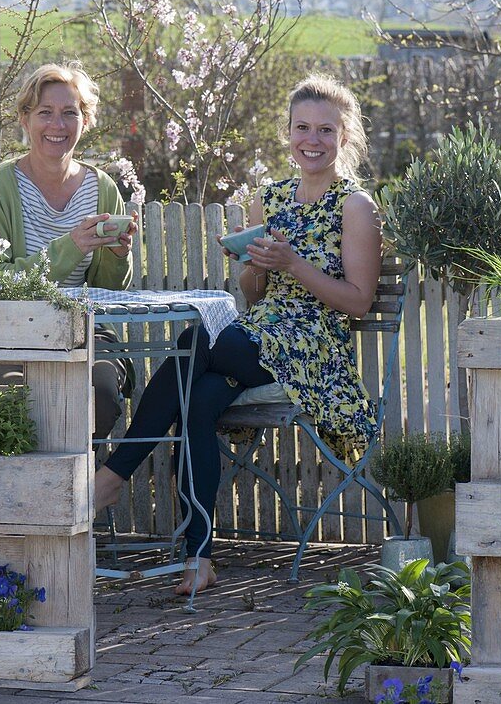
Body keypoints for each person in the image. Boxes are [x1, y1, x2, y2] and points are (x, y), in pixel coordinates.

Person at [95, 73, 382, 596]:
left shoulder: (354, 205)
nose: (311, 140)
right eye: (302, 128)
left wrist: (293, 263)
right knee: (198, 397)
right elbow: (253, 295)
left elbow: (358, 300)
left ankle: (112, 477)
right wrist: (254, 263)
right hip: (261, 334)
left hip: (314, 349)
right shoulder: (268, 200)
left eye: (325, 130)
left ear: (345, 136)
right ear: (288, 132)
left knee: (193, 343)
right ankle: (199, 560)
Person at [0, 61, 137, 440]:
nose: (58, 125)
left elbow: (109, 292)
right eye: (45, 113)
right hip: (8, 331)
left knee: (99, 395)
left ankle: (79, 492)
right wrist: (70, 247)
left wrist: (118, 256)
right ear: (25, 118)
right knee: (11, 399)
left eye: (70, 113)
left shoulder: (103, 189)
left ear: (85, 120)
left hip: (82, 331)